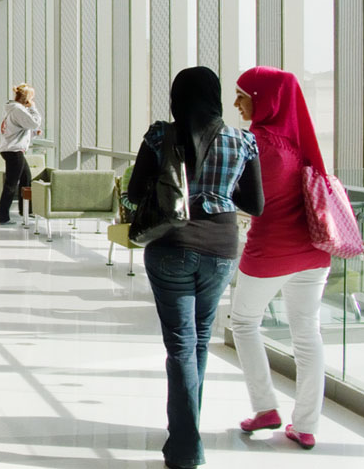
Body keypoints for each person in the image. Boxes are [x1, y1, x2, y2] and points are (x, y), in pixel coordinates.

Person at [126, 67, 263, 469]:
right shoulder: (242, 141)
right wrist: (219, 190)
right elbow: (255, 205)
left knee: (181, 347)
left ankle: (186, 444)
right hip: (221, 248)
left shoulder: (159, 136)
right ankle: (188, 430)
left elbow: (135, 195)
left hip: (171, 246)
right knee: (199, 341)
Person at [230, 66, 330, 450]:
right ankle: (305, 425)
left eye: (243, 96)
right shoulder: (300, 140)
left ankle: (265, 408)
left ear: (264, 100)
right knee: (307, 334)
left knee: (243, 322)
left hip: (270, 251)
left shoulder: (255, 143)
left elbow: (241, 199)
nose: (237, 103)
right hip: (314, 254)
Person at [0, 84, 41, 224]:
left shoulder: (11, 109)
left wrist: (33, 134)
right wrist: (32, 107)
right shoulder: (18, 110)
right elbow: (34, 123)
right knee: (11, 184)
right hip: (14, 151)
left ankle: (26, 210)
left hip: (11, 149)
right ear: (27, 98)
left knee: (26, 178)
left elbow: (18, 131)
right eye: (31, 97)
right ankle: (2, 216)